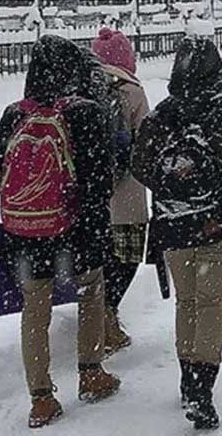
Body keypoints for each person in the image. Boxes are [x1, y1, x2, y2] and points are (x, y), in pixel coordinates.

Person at [132, 36, 222, 431]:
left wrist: (170, 184)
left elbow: (138, 163)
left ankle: (186, 379)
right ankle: (202, 390)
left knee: (188, 303)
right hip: (218, 221)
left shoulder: (163, 113)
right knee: (213, 305)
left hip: (174, 223)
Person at [0, 35, 121, 429]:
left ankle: (41, 398)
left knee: (34, 311)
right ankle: (91, 372)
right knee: (91, 292)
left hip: (24, 233)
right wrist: (77, 211)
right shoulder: (85, 112)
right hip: (76, 230)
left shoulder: (15, 114)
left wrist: (30, 198)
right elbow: (100, 178)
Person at [90, 27, 151, 355]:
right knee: (125, 258)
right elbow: (147, 142)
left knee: (97, 259)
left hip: (91, 195)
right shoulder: (132, 91)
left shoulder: (81, 87)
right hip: (127, 194)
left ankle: (96, 316)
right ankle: (109, 314)